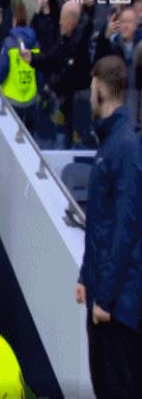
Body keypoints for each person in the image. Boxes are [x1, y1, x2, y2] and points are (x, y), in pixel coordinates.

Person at [75, 55, 141, 399]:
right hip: (102, 297)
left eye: (92, 88)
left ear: (100, 90)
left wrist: (106, 298)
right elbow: (99, 223)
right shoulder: (110, 143)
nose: (90, 95)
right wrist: (85, 276)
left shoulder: (125, 147)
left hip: (117, 308)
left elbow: (126, 230)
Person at [21, 0, 93, 148]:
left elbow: (68, 72)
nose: (59, 22)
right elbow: (52, 57)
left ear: (71, 22)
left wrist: (51, 85)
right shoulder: (65, 38)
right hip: (64, 102)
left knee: (73, 144)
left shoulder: (80, 45)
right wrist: (32, 59)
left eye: (62, 19)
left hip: (78, 104)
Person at [0, 2, 40, 134]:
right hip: (31, 99)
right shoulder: (36, 43)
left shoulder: (9, 43)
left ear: (14, 19)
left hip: (12, 101)